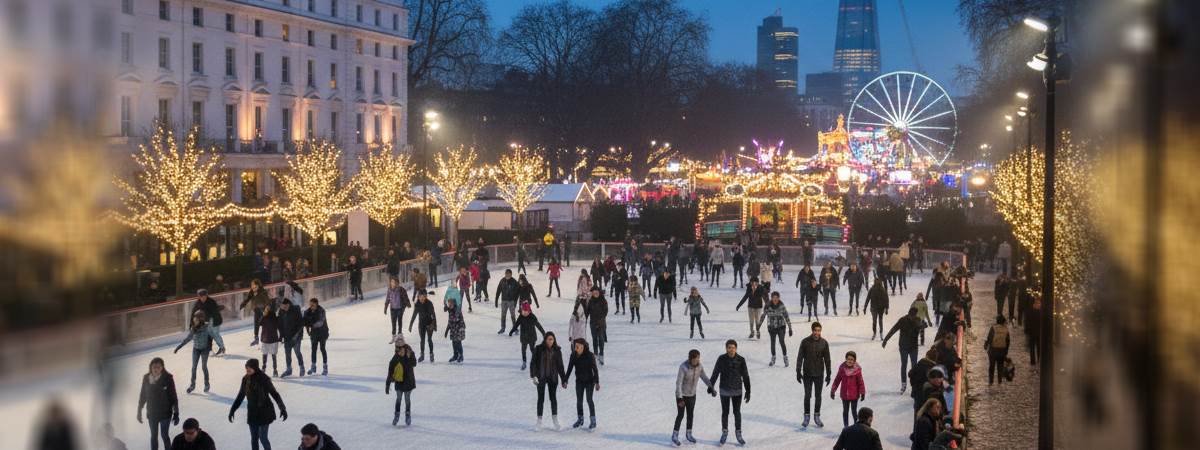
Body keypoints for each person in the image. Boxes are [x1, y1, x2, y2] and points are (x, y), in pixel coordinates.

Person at [229, 358, 287, 450]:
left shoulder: (264, 379)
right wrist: (232, 410)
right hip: (252, 412)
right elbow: (240, 396)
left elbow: (275, 394)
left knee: (263, 438)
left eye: (249, 368)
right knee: (254, 439)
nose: (247, 370)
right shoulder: (245, 379)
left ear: (255, 368)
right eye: (246, 368)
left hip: (264, 412)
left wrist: (282, 408)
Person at [709, 339, 750, 446]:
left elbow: (745, 376)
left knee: (737, 412)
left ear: (736, 348)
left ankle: (738, 433)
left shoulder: (741, 360)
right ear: (726, 348)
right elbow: (715, 373)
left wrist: (748, 390)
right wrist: (711, 386)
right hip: (724, 390)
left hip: (737, 390)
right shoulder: (721, 359)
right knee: (725, 412)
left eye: (733, 348)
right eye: (729, 348)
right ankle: (724, 432)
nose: (731, 350)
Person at [671, 349, 713, 446]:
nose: (697, 360)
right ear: (690, 359)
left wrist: (711, 387)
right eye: (695, 359)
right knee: (680, 415)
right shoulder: (683, 367)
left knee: (690, 415)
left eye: (698, 358)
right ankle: (674, 435)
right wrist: (680, 398)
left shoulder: (699, 366)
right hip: (682, 395)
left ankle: (689, 434)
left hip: (692, 395)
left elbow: (704, 377)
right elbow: (678, 383)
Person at [137, 357, 179, 450]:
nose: (156, 369)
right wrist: (139, 410)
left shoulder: (168, 378)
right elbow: (143, 395)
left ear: (162, 368)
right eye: (154, 367)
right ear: (150, 367)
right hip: (152, 413)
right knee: (153, 436)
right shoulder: (146, 378)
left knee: (164, 435)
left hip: (165, 413)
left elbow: (173, 396)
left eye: (158, 367)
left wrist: (176, 413)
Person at [796, 321, 831, 428]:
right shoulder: (805, 342)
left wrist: (829, 373)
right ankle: (806, 416)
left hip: (819, 374)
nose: (817, 332)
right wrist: (798, 371)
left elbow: (827, 359)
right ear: (812, 331)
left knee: (818, 396)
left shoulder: (824, 343)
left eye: (819, 331)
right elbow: (800, 357)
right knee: (807, 395)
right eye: (815, 330)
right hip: (807, 373)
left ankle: (817, 416)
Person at [530, 331, 567, 430]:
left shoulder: (557, 350)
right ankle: (539, 421)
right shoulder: (538, 349)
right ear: (545, 340)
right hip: (541, 377)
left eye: (552, 339)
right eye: (549, 339)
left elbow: (560, 366)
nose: (550, 341)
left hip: (552, 377)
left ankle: (555, 421)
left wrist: (564, 380)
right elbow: (533, 363)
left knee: (553, 398)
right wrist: (534, 376)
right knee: (540, 399)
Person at [173, 311, 215, 393]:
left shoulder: (207, 326)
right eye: (194, 319)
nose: (194, 321)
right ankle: (192, 385)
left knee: (204, 367)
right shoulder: (193, 328)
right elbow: (188, 339)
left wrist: (217, 345)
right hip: (196, 349)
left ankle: (207, 384)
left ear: (201, 319)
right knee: (194, 367)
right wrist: (179, 347)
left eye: (196, 319)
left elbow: (213, 335)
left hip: (205, 349)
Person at [565, 338, 600, 429]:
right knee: (579, 401)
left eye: (578, 346)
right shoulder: (573, 355)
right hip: (579, 381)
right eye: (575, 346)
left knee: (589, 400)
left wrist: (597, 382)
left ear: (583, 346)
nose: (576, 348)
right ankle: (580, 419)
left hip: (589, 381)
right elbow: (569, 368)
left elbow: (595, 369)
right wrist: (565, 380)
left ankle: (593, 421)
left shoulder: (590, 355)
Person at [830, 351, 867, 428]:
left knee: (854, 412)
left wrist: (862, 392)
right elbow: (837, 380)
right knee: (845, 411)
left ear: (854, 361)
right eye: (848, 359)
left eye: (852, 359)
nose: (850, 361)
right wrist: (833, 390)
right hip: (844, 395)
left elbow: (860, 382)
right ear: (846, 359)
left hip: (854, 395)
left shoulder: (857, 370)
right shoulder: (842, 369)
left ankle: (856, 427)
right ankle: (846, 427)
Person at [756, 292, 793, 367]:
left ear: (779, 298)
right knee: (773, 343)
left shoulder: (781, 305)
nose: (775, 299)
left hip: (781, 326)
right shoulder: (768, 305)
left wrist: (790, 328)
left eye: (777, 298)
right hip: (771, 327)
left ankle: (785, 357)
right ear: (771, 298)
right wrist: (759, 325)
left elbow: (786, 316)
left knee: (781, 341)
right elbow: (763, 315)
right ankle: (773, 358)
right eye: (774, 297)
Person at [386, 342, 418, 426]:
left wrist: (409, 357)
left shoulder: (410, 353)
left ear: (404, 348)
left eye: (401, 351)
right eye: (398, 352)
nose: (400, 353)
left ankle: (408, 415)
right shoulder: (396, 357)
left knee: (407, 399)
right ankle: (397, 415)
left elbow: (414, 364)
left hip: (408, 381)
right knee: (399, 399)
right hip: (399, 382)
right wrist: (387, 384)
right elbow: (390, 371)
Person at [512, 303, 547, 370]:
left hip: (532, 337)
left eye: (526, 312)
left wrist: (544, 333)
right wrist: (512, 331)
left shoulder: (532, 317)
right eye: (523, 311)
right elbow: (516, 324)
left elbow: (539, 326)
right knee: (523, 350)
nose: (524, 313)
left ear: (529, 311)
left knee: (532, 349)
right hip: (524, 337)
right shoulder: (521, 317)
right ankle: (524, 362)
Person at [192, 289, 226, 356]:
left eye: (204, 296)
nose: (203, 298)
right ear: (199, 296)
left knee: (215, 334)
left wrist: (218, 308)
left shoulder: (211, 302)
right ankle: (210, 349)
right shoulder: (198, 303)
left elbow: (213, 312)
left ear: (206, 295)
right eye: (201, 296)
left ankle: (222, 348)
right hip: (207, 320)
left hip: (215, 320)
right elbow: (194, 312)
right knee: (209, 335)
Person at [277, 299, 305, 377]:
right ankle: (289, 369)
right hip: (287, 336)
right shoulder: (281, 311)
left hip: (296, 336)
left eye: (285, 306)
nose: (284, 308)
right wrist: (281, 336)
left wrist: (297, 336)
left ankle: (302, 367)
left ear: (289, 305)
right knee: (287, 353)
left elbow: (301, 324)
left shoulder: (296, 309)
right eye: (283, 307)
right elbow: (280, 325)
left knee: (297, 352)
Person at [408, 290, 437, 363]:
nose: (422, 298)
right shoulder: (417, 304)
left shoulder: (429, 303)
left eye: (423, 296)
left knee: (429, 339)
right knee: (422, 340)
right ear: (418, 297)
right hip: (421, 324)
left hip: (429, 324)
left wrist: (434, 325)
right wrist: (411, 325)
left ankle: (431, 354)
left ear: (426, 296)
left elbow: (433, 315)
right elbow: (414, 315)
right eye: (420, 297)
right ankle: (422, 355)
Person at [303, 298, 329, 376]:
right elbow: (305, 321)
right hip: (314, 333)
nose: (311, 306)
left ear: (316, 304)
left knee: (322, 348)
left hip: (323, 332)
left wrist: (311, 325)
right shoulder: (307, 312)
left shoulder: (321, 311)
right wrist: (308, 330)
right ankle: (313, 366)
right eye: (310, 304)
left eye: (313, 305)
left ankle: (325, 367)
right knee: (313, 349)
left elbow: (320, 322)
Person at [241, 279, 270, 346]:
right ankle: (256, 339)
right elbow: (248, 299)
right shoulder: (251, 292)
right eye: (252, 285)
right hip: (256, 310)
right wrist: (243, 304)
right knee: (256, 324)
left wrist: (266, 310)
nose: (252, 287)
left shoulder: (262, 292)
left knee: (265, 324)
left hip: (263, 310)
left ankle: (268, 338)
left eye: (254, 285)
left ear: (258, 285)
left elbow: (268, 302)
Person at [984, 315, 1012, 385]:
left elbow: (989, 338)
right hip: (1002, 350)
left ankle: (991, 381)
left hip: (993, 350)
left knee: (992, 366)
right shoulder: (1006, 329)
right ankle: (999, 381)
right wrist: (1006, 351)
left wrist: (986, 345)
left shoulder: (993, 328)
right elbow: (1008, 341)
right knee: (1000, 366)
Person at [585, 286, 609, 365]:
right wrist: (584, 319)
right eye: (594, 292)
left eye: (596, 292)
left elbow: (605, 312)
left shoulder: (603, 300)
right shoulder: (590, 301)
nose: (595, 294)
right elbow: (587, 311)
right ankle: (595, 354)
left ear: (599, 292)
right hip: (593, 323)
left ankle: (601, 354)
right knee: (594, 339)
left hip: (601, 323)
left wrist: (600, 321)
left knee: (601, 339)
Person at [495, 269, 521, 334]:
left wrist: (515, 300)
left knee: (513, 315)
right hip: (504, 301)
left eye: (508, 274)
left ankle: (515, 329)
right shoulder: (502, 281)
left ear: (511, 274)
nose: (507, 275)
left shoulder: (514, 281)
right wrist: (496, 300)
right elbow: (498, 290)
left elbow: (518, 291)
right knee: (503, 315)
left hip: (511, 301)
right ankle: (502, 328)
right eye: (506, 273)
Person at [258, 304, 281, 376]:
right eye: (266, 308)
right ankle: (264, 368)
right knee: (265, 354)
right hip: (266, 339)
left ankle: (275, 370)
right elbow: (259, 323)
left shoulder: (274, 316)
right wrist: (263, 315)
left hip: (272, 339)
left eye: (268, 308)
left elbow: (277, 325)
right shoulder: (264, 316)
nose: (267, 309)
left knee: (273, 355)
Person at [444, 297, 466, 363]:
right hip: (454, 329)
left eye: (451, 303)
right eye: (449, 304)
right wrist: (447, 330)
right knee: (454, 342)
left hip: (459, 329)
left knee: (458, 342)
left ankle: (461, 356)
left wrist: (449, 310)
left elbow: (455, 319)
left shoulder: (457, 310)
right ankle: (455, 355)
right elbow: (450, 321)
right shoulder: (451, 310)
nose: (449, 305)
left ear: (454, 303)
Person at [1026, 293, 1043, 366]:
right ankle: (1033, 361)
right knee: (1032, 347)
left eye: (1039, 303)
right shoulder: (1030, 312)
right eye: (1036, 303)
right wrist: (1027, 331)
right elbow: (1027, 322)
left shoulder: (1042, 312)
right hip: (1032, 332)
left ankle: (1039, 359)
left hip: (1039, 332)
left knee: (1039, 347)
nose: (1038, 305)